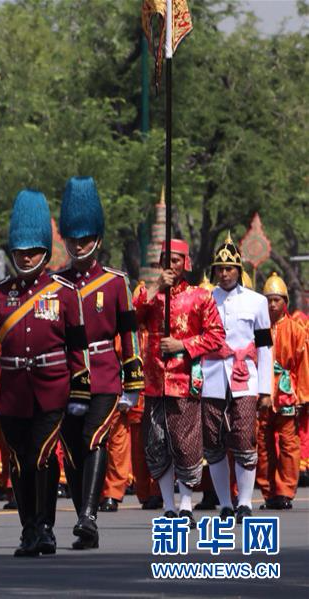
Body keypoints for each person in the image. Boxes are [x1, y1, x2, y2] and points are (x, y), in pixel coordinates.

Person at [0, 190, 90, 557]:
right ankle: (28, 529)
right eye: (20, 251)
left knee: (42, 456)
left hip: (52, 389)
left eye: (33, 251)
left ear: (45, 253)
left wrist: (81, 390)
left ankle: (45, 527)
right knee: (19, 462)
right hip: (12, 393)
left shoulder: (65, 293)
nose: (26, 257)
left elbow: (77, 346)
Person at [56, 177, 144, 549]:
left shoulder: (115, 283)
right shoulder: (54, 282)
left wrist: (134, 379)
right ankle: (82, 517)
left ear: (98, 240)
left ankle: (89, 517)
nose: (79, 245)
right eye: (73, 239)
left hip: (105, 373)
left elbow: (129, 335)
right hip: (64, 377)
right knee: (73, 450)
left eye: (85, 239)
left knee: (94, 439)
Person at [134, 238, 225, 527]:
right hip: (154, 381)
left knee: (185, 444)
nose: (171, 265)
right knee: (157, 443)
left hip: (185, 380)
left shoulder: (201, 297)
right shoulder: (149, 295)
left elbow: (216, 336)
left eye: (176, 260)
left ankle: (186, 503)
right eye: (166, 259)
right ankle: (169, 506)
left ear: (185, 263)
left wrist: (183, 345)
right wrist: (155, 288)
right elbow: (129, 317)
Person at [201, 236, 273, 522]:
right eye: (220, 268)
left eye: (230, 268)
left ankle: (244, 502)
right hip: (212, 376)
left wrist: (266, 389)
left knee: (244, 439)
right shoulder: (204, 299)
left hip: (245, 378)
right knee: (214, 442)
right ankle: (225, 503)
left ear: (239, 270)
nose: (225, 273)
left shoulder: (257, 302)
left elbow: (265, 347)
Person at [256, 273, 308, 510]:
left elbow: (303, 364)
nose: (272, 304)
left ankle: (285, 491)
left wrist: (302, 394)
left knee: (289, 444)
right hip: (262, 393)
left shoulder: (296, 330)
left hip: (286, 392)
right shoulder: (257, 327)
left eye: (277, 299)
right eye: (268, 299)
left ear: (285, 301)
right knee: (263, 445)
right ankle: (268, 492)